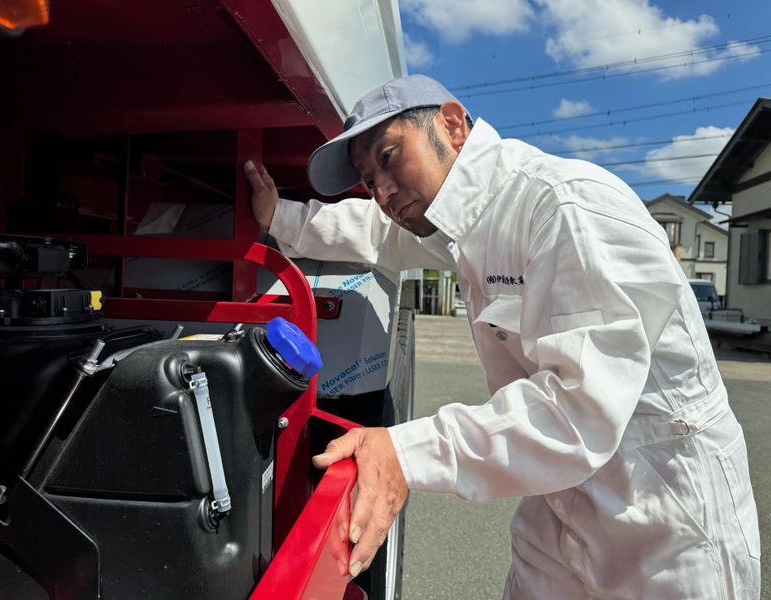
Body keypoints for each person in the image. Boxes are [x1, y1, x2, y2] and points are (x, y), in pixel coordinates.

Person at [244, 75, 760, 598]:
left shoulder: (560, 207)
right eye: (368, 177)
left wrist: (404, 449)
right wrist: (280, 216)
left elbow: (579, 411)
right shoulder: (464, 225)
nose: (381, 190)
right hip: (561, 495)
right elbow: (378, 234)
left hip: (664, 508)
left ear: (451, 124)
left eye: (390, 156)